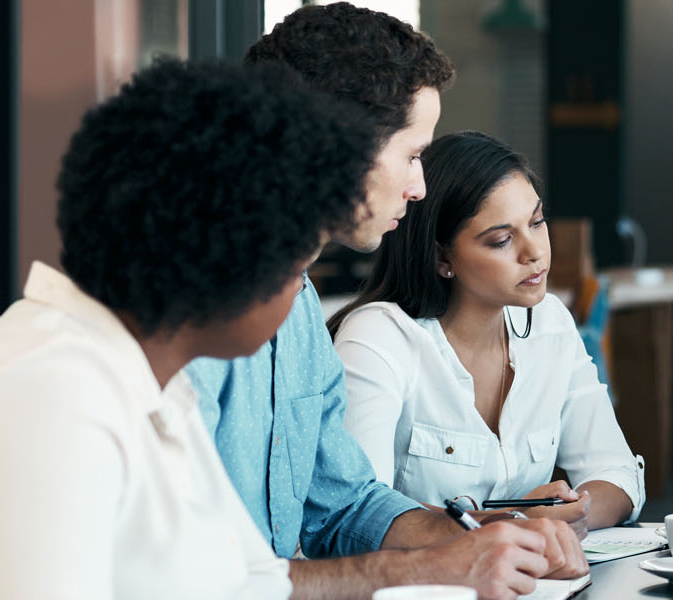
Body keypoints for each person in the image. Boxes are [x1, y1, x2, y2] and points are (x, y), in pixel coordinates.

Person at [0, 59, 451, 599]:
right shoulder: (53, 391)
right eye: (298, 256)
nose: (302, 285)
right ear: (236, 262)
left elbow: (246, 582)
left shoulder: (148, 379)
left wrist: (432, 566)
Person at [181, 5, 584, 598]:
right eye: (413, 154)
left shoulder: (298, 314)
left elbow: (344, 509)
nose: (419, 187)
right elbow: (187, 574)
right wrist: (431, 566)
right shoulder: (186, 316)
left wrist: (485, 533)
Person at [329, 131, 643, 537]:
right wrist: (515, 522)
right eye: (501, 239)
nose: (534, 252)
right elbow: (358, 513)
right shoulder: (378, 337)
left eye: (537, 221)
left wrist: (574, 511)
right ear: (443, 257)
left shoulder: (549, 322)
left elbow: (618, 474)